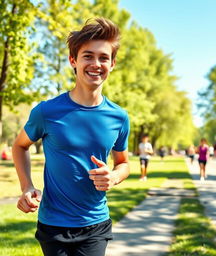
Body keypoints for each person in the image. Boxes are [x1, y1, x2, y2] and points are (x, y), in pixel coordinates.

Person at [12, 18, 130, 256]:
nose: (96, 63)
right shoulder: (47, 111)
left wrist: (114, 177)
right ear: (73, 61)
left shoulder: (119, 117)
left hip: (95, 223)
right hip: (53, 225)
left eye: (103, 57)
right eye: (88, 56)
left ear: (113, 64)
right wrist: (27, 187)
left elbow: (123, 163)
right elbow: (20, 146)